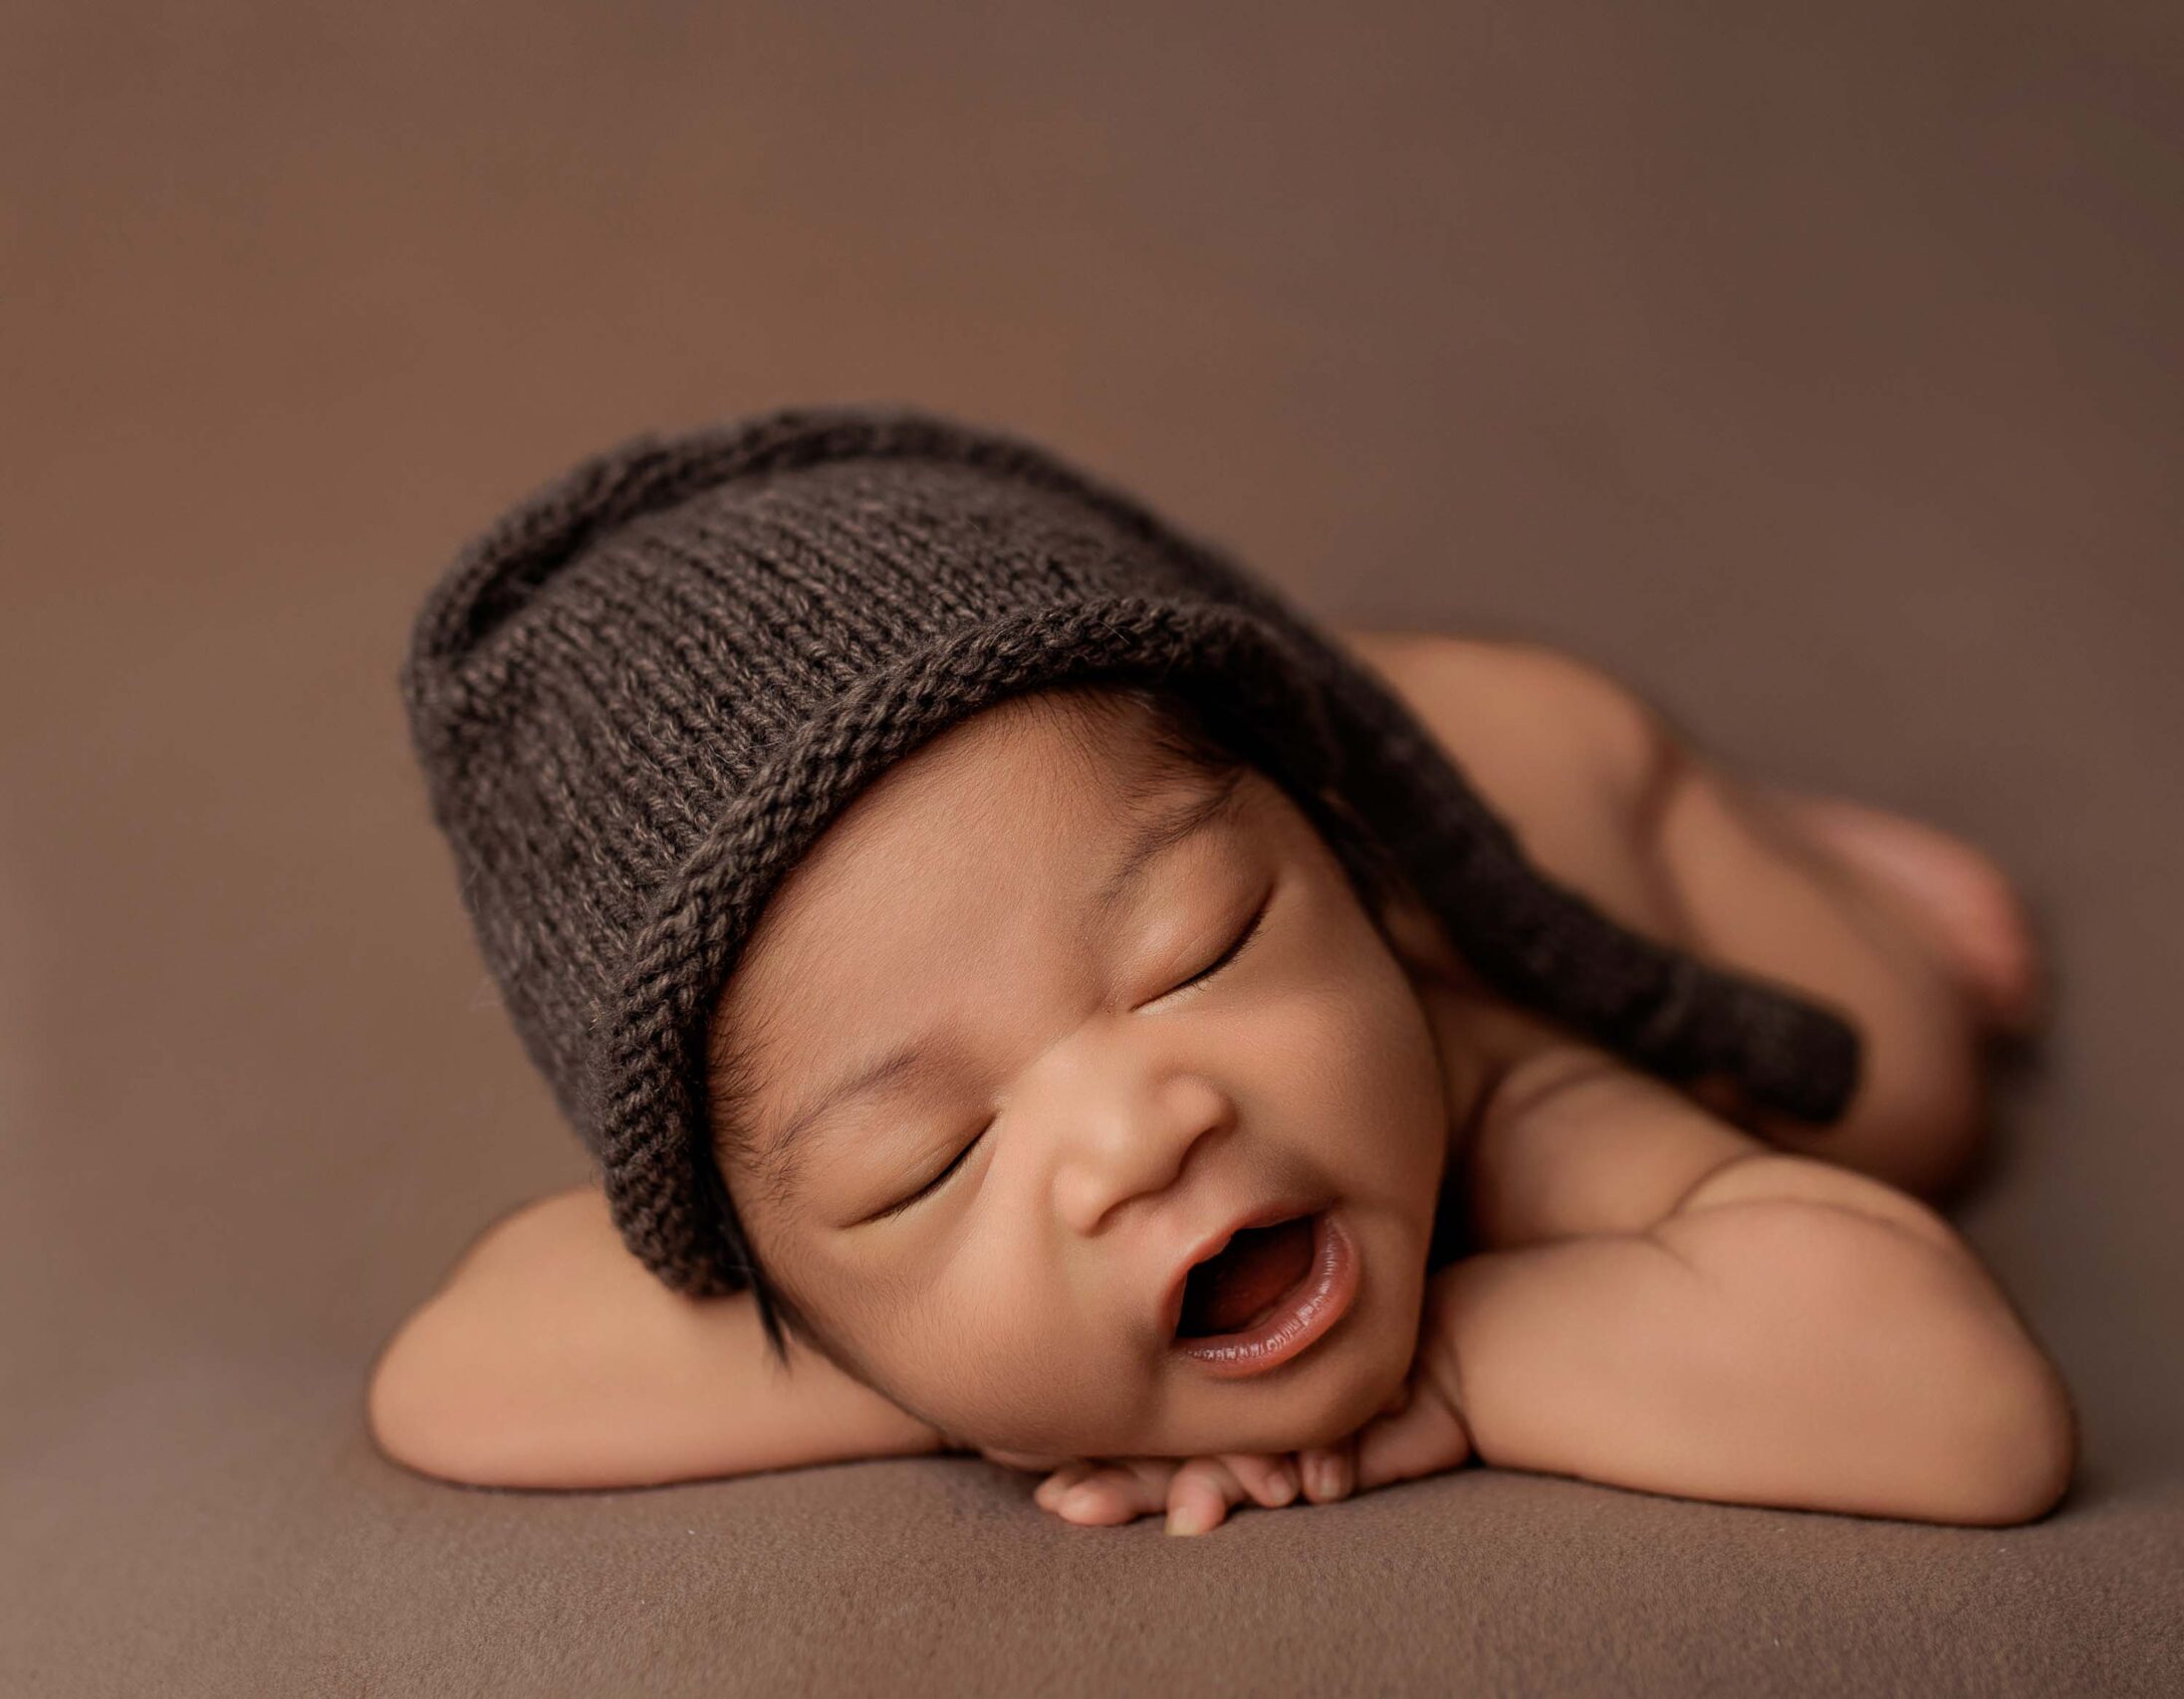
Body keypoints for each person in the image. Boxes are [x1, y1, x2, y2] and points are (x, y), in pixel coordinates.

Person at [369, 406, 2074, 1536]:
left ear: (1337, 863)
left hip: (1564, 801)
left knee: (1910, 1086)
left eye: (1204, 948)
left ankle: (1804, 841)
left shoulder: (1495, 1083)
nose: (1138, 1131)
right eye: (929, 1162)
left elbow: (1964, 1408)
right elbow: (451, 1370)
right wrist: (989, 1380)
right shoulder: (841, 1244)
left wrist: (1461, 1362)